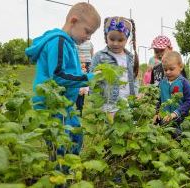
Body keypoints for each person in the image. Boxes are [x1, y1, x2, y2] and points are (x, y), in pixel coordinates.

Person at [25, 2, 101, 157]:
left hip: (64, 105)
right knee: (61, 146)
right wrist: (88, 78)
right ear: (73, 21)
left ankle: (66, 172)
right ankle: (60, 177)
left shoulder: (68, 43)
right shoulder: (58, 41)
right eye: (87, 31)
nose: (88, 37)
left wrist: (78, 84)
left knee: (76, 135)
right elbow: (58, 75)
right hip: (52, 105)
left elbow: (69, 71)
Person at [91, 16, 139, 113]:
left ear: (127, 39)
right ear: (106, 37)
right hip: (107, 103)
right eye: (112, 39)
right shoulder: (99, 56)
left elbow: (134, 78)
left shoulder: (130, 57)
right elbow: (92, 80)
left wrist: (136, 95)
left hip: (127, 103)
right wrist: (94, 102)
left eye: (120, 40)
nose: (116, 43)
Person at [154, 51, 190, 140]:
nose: (167, 72)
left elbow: (189, 101)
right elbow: (158, 100)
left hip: (179, 120)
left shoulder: (183, 83)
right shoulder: (162, 83)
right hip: (164, 119)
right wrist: (156, 113)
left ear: (181, 67)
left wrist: (176, 113)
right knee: (164, 141)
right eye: (165, 69)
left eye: (171, 69)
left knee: (178, 140)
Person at [76, 40, 94, 117]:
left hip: (87, 65)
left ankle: (81, 107)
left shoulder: (90, 43)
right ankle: (79, 108)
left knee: (85, 86)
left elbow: (92, 54)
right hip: (78, 64)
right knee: (79, 86)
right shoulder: (75, 41)